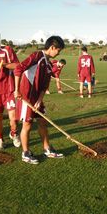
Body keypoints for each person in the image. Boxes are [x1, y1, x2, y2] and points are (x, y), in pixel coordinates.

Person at [14, 36, 65, 164]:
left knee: (42, 122)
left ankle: (47, 149)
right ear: (52, 47)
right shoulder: (37, 56)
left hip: (37, 98)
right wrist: (17, 89)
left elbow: (44, 86)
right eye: (58, 50)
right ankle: (25, 153)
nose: (59, 53)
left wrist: (39, 100)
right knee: (27, 124)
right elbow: (18, 69)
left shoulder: (48, 65)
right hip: (26, 96)